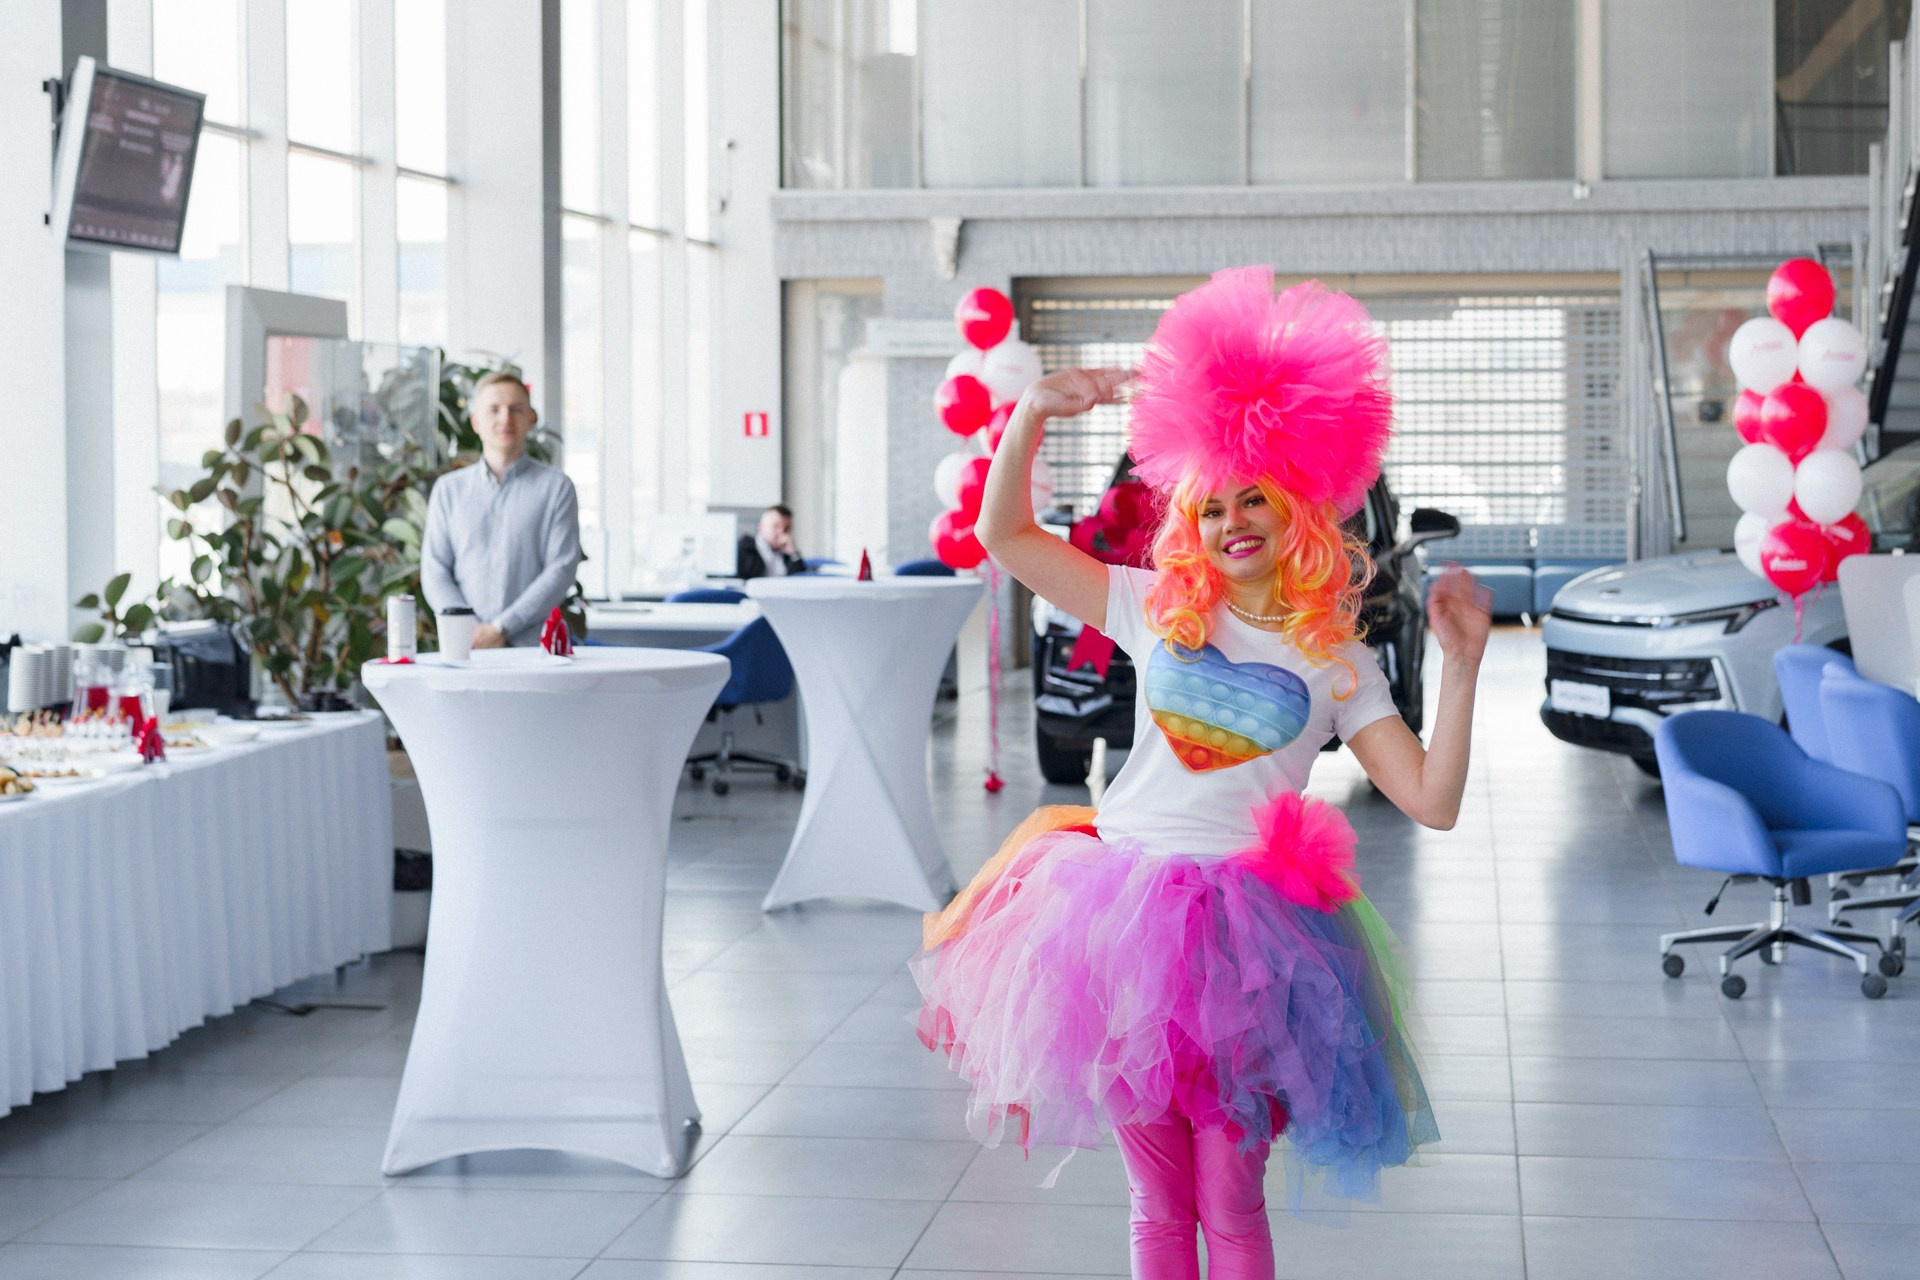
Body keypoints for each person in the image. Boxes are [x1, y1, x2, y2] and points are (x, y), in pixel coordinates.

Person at [911, 267, 1491, 1279]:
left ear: (1298, 504)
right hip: (1121, 925)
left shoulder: (1335, 658)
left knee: (1230, 1199)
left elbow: (1431, 802)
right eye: (1212, 506)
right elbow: (1004, 536)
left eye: (1254, 497)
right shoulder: (1153, 606)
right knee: (1157, 1202)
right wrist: (1032, 413)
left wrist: (1464, 668)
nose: (1234, 522)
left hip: (1255, 948)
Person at [422, 371, 582, 648]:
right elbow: (435, 570)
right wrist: (467, 629)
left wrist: (501, 628)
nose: (505, 418)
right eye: (494, 409)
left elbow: (562, 568)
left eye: (515, 409)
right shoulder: (448, 490)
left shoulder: (557, 488)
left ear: (531, 419)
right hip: (465, 649)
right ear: (476, 422)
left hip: (533, 652)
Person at [736, 504, 805, 579]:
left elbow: (799, 579)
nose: (781, 532)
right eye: (776, 526)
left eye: (786, 528)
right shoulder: (745, 547)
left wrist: (793, 553)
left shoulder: (787, 554)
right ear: (761, 527)